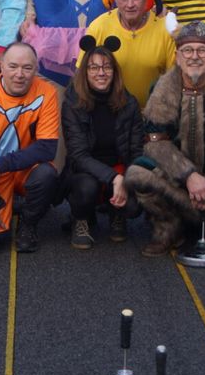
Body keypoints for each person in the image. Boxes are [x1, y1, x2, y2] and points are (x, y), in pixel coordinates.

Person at [125, 21, 205, 257]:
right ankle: (168, 228)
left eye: (202, 50)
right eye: (188, 50)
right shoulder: (161, 87)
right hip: (174, 177)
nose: (195, 56)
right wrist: (188, 175)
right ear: (177, 55)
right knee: (138, 176)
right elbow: (155, 141)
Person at [0, 43, 60, 252]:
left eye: (27, 68)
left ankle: (28, 223)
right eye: (13, 66)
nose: (20, 74)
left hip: (21, 170)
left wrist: (0, 164)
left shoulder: (47, 93)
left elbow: (47, 148)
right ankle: (4, 205)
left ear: (36, 70)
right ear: (1, 66)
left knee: (47, 174)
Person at [62, 35, 144, 249]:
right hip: (85, 170)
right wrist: (114, 178)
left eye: (107, 67)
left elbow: (136, 151)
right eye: (94, 68)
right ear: (85, 72)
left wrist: (126, 178)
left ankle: (117, 213)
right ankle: (80, 219)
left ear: (114, 72)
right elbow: (78, 156)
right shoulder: (73, 102)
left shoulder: (130, 103)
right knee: (86, 189)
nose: (101, 73)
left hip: (118, 166)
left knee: (135, 206)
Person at [81, 0, 175, 107]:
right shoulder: (99, 26)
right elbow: (82, 75)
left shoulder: (164, 29)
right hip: (110, 114)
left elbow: (174, 79)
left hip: (152, 115)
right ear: (115, 0)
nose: (130, 4)